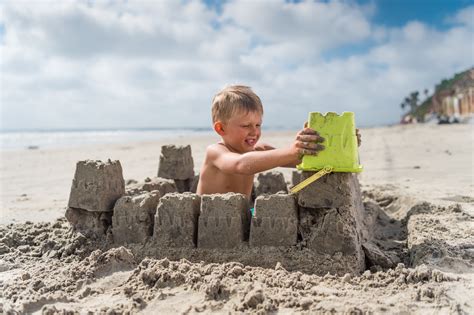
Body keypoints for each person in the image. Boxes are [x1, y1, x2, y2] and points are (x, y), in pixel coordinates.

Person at [196, 85, 360, 198]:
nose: (254, 131)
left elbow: (301, 160)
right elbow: (240, 165)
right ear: (221, 129)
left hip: (240, 217)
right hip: (209, 221)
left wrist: (342, 144)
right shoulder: (216, 152)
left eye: (258, 125)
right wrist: (292, 150)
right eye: (246, 125)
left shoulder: (259, 150)